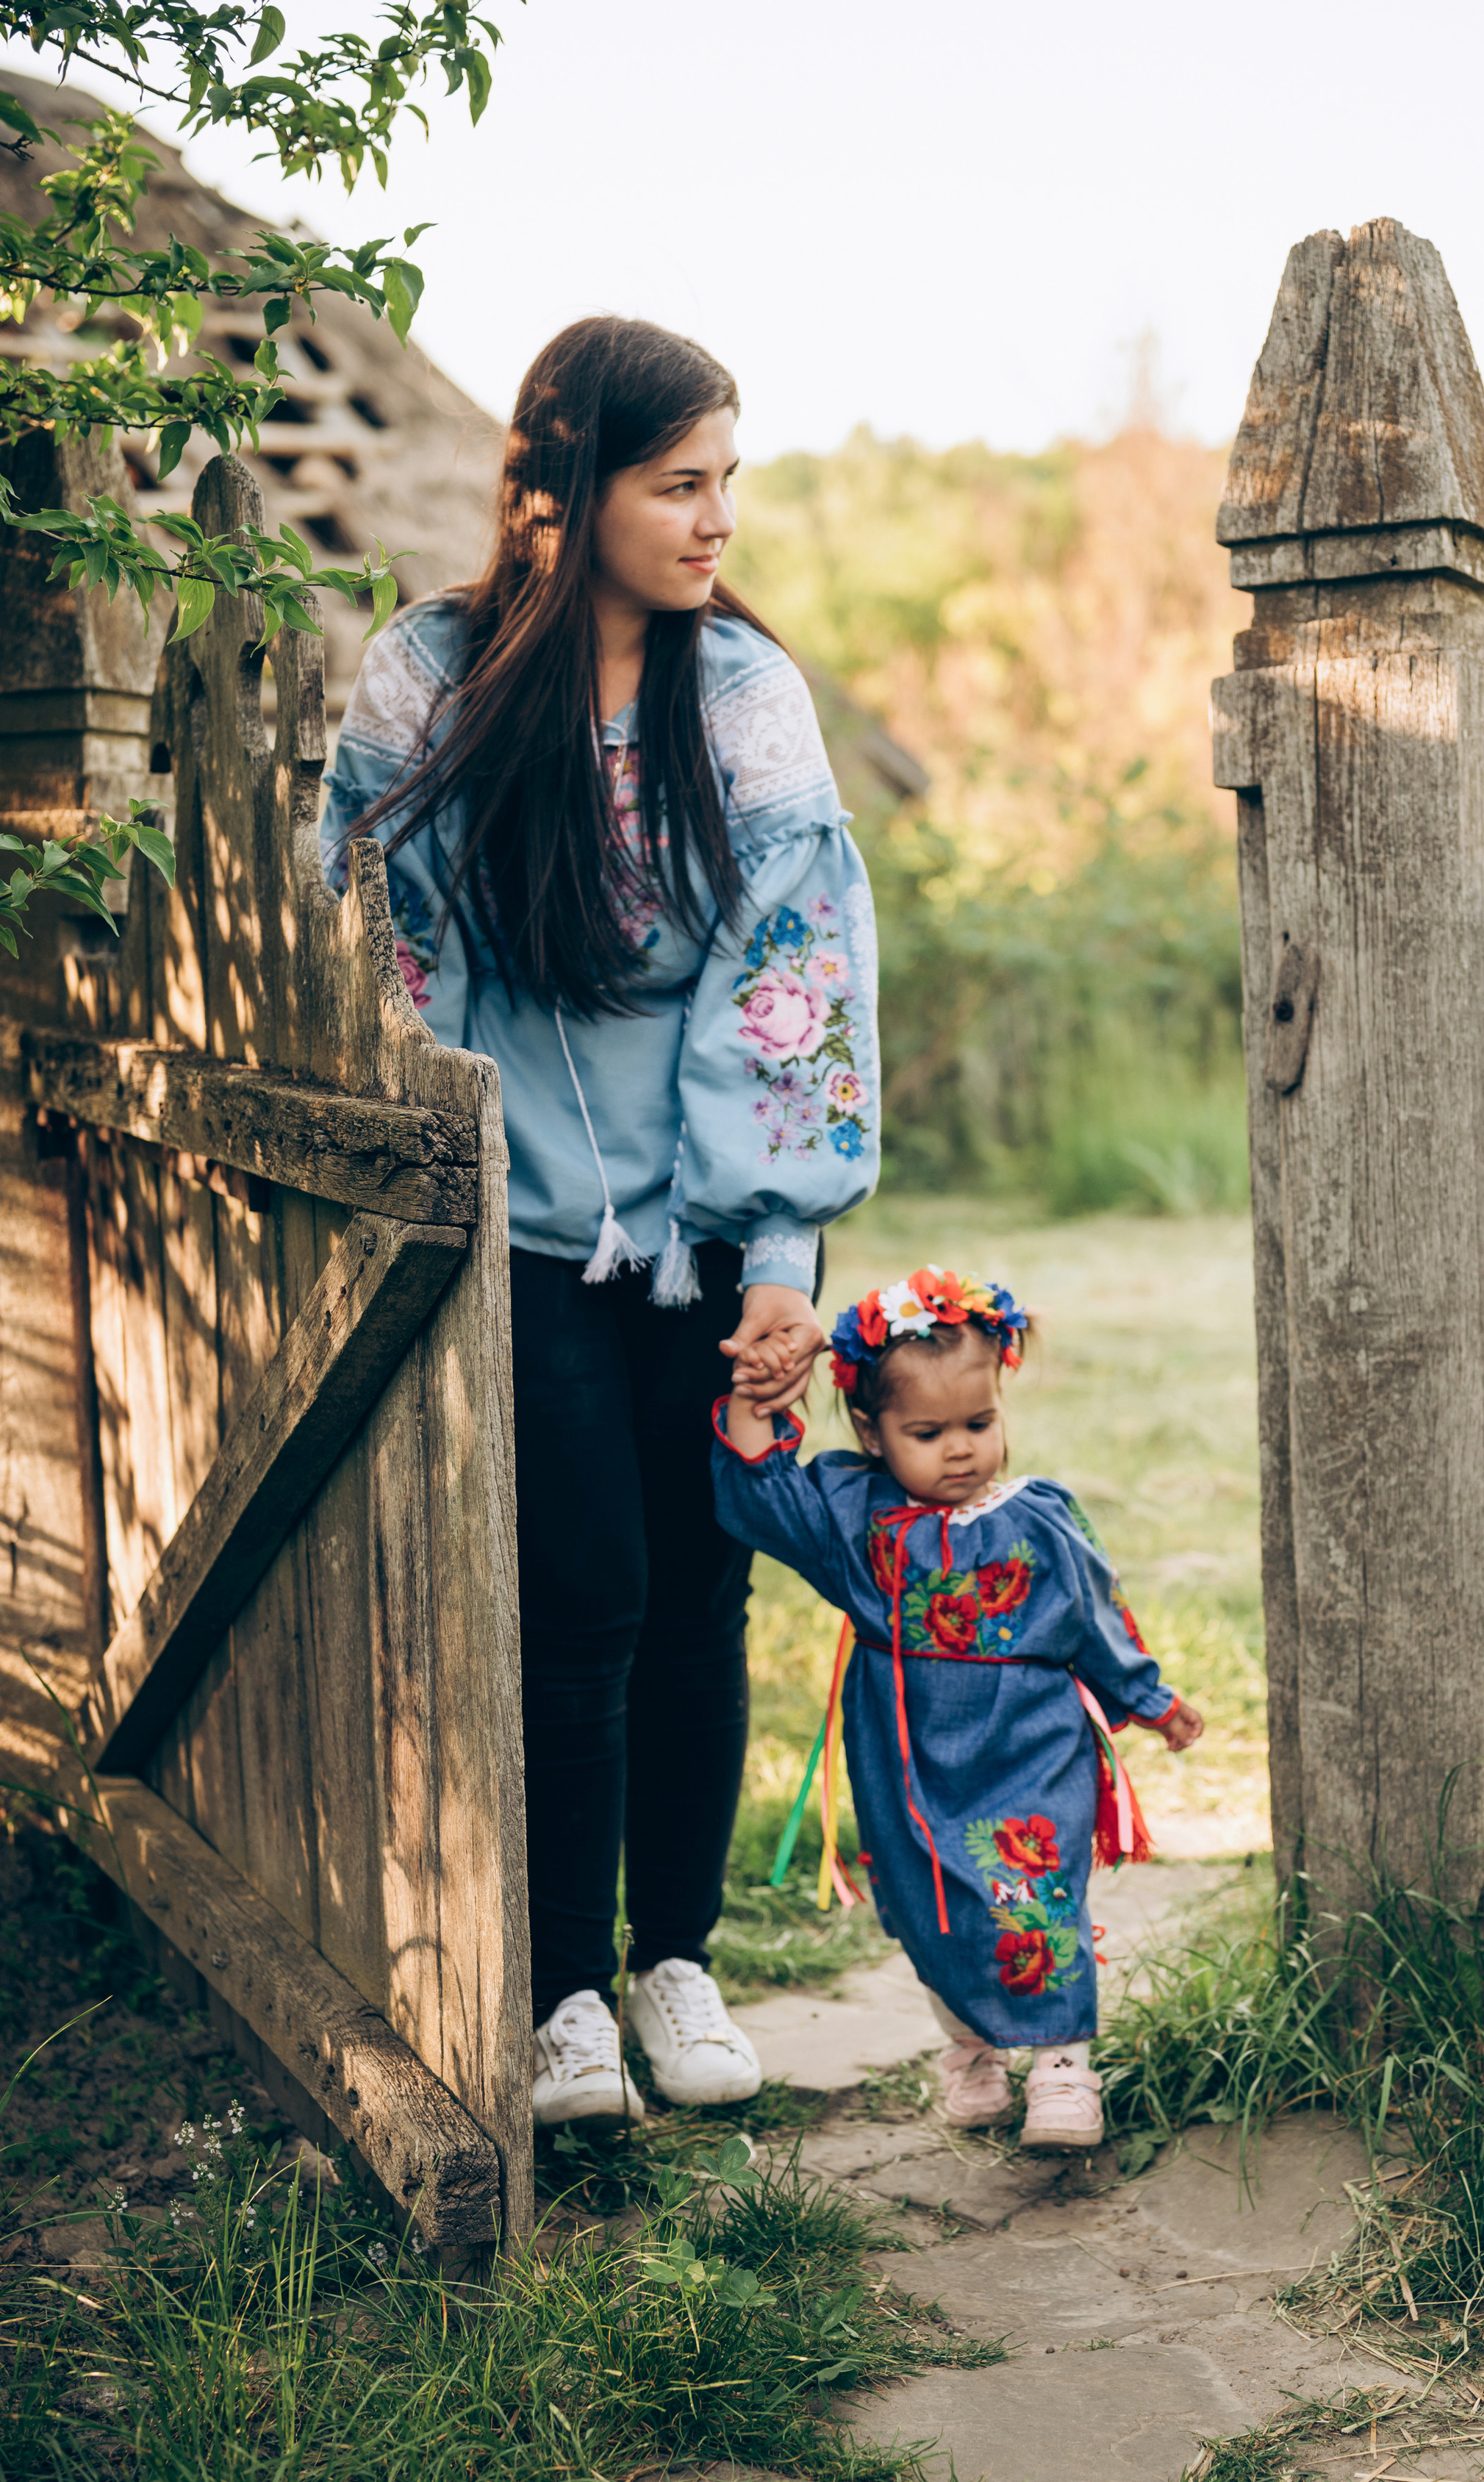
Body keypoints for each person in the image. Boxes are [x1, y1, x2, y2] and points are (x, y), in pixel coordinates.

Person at [320, 317, 878, 2124]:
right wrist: (453, 1208)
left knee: (698, 1590)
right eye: (678, 483)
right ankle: (562, 1998)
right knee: (583, 1592)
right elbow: (399, 968)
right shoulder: (428, 676)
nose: (717, 520)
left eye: (727, 481)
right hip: (522, 1227)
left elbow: (790, 976)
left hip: (720, 1229)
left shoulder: (745, 699)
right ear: (564, 494)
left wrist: (780, 1264)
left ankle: (678, 1970)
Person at [712, 1267, 1203, 2151]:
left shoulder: (1038, 1517)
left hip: (1031, 1748)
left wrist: (1152, 1699)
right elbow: (765, 1498)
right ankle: (973, 2047)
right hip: (907, 1759)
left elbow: (1096, 1615)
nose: (960, 1450)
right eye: (926, 1432)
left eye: (978, 1424)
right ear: (870, 1429)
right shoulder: (855, 1519)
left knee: (1034, 1900)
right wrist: (754, 1403)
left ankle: (1061, 2067)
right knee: (927, 1904)